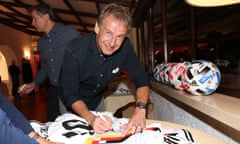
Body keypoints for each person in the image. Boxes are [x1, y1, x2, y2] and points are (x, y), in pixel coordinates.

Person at [59, 3, 151, 135]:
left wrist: (140, 109)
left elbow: (142, 79)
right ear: (97, 27)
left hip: (96, 98)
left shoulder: (125, 47)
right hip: (71, 101)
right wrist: (91, 118)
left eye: (119, 36)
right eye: (108, 33)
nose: (112, 42)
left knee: (102, 135)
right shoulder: (74, 51)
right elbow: (71, 95)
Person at [18, 3, 80, 121]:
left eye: (35, 19)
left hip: (72, 89)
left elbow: (84, 58)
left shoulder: (70, 33)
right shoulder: (42, 43)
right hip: (54, 90)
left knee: (74, 125)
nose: (32, 23)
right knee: (52, 123)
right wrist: (34, 83)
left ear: (46, 17)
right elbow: (45, 67)